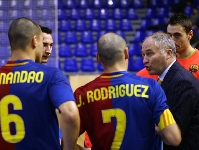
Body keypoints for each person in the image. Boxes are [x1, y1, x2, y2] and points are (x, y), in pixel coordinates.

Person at [74, 32, 181, 150]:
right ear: (126, 53)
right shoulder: (151, 87)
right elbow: (173, 138)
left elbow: (67, 143)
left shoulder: (82, 94)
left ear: (98, 58)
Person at [0, 17, 80, 149]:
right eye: (44, 44)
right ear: (35, 41)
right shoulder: (51, 76)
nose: (48, 50)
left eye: (51, 45)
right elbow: (70, 114)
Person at [142, 31, 199, 150]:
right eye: (143, 55)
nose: (145, 61)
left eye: (150, 54)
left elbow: (173, 136)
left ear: (168, 53)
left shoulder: (183, 83)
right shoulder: (167, 78)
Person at [137, 13, 199, 80]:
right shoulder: (162, 61)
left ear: (190, 34)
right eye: (169, 35)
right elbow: (141, 76)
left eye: (177, 35)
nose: (172, 40)